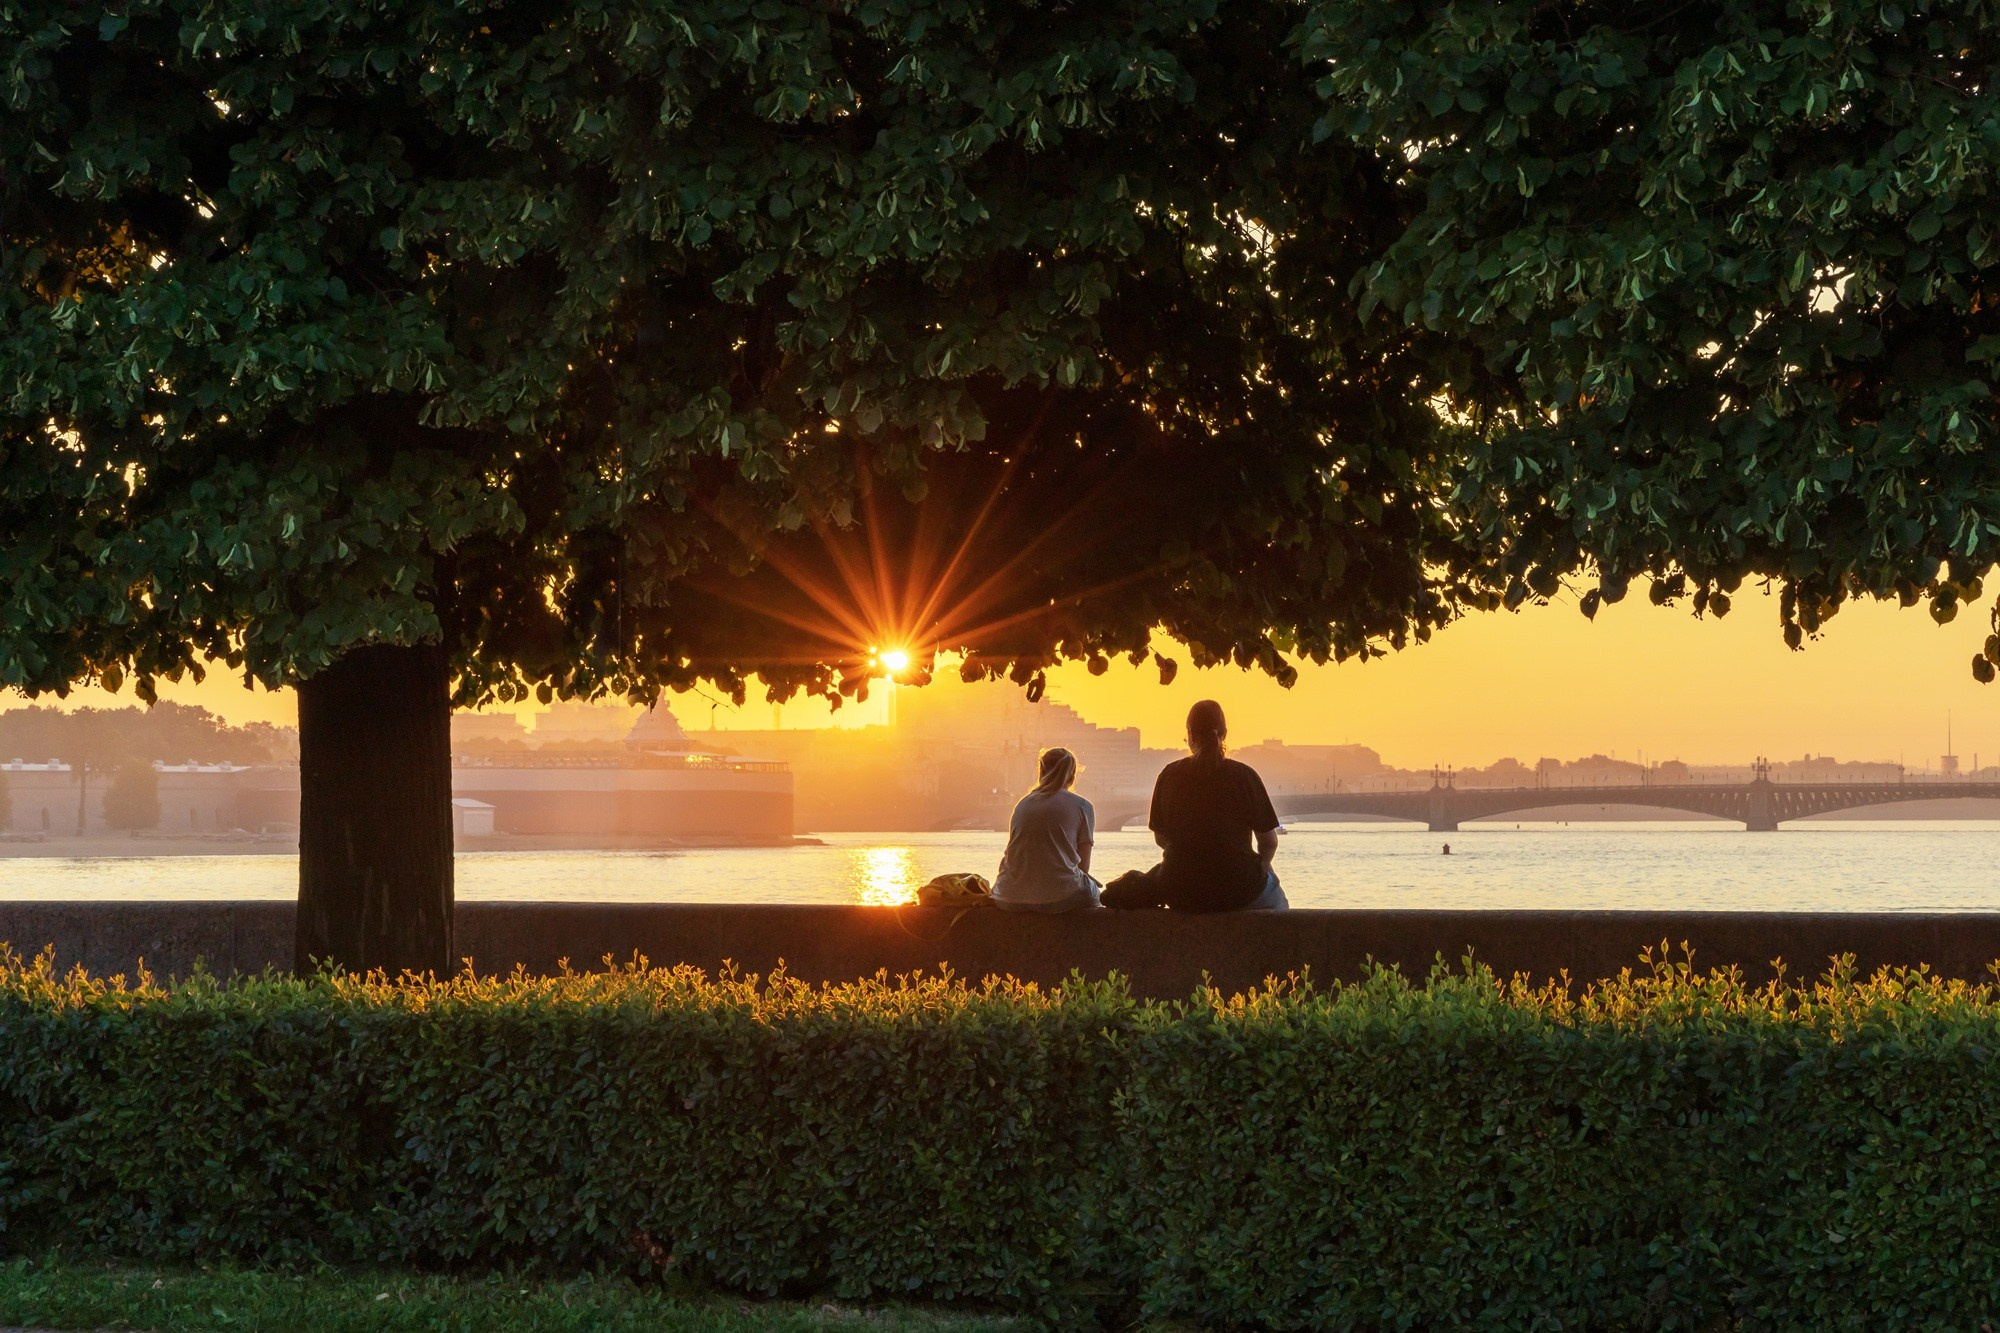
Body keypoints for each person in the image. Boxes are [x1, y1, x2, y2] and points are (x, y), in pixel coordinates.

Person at [1102, 700, 1288, 912]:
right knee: (1280, 906)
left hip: (1179, 889)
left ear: (1190, 734)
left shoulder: (1169, 775)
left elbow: (1161, 839)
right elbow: (1269, 843)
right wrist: (1256, 868)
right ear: (1224, 733)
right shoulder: (1244, 776)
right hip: (1239, 888)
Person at [991, 747, 1102, 913]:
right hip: (1060, 898)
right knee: (1094, 890)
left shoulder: (1023, 804)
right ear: (1071, 775)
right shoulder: (1082, 806)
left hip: (1007, 897)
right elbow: (1084, 867)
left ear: (1041, 772)